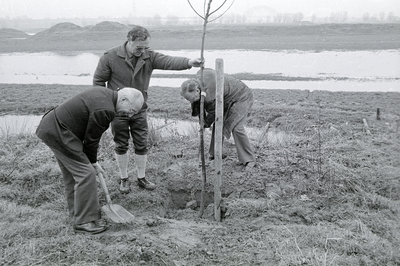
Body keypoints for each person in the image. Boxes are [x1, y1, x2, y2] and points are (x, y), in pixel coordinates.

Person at [93, 25, 202, 193]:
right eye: (139, 47)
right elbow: (98, 82)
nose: (142, 51)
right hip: (118, 111)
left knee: (141, 143)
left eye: (146, 47)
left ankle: (141, 178)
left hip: (139, 109)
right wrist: (107, 103)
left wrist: (189, 62)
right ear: (129, 40)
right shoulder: (110, 57)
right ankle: (124, 179)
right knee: (120, 143)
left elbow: (168, 61)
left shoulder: (148, 56)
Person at [36, 87, 144, 234]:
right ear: (124, 99)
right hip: (60, 132)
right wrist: (92, 163)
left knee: (73, 175)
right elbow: (91, 140)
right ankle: (84, 222)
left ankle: (76, 214)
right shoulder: (106, 110)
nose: (129, 115)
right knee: (85, 174)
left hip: (53, 127)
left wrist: (93, 161)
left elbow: (88, 135)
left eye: (134, 113)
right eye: (131, 110)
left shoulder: (105, 95)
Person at [180, 68, 256, 168]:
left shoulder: (210, 95)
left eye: (191, 98)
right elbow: (199, 105)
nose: (191, 101)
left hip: (241, 96)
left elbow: (213, 112)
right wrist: (201, 122)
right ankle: (214, 154)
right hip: (224, 98)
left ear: (197, 90)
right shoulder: (198, 79)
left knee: (236, 127)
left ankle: (249, 159)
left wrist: (205, 123)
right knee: (218, 123)